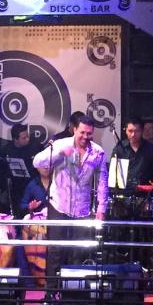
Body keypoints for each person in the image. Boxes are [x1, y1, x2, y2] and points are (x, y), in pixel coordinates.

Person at [32, 115, 108, 291]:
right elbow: (37, 161)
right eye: (82, 132)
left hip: (82, 208)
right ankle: (51, 293)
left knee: (78, 251)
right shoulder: (60, 145)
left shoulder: (98, 152)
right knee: (55, 250)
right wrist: (59, 153)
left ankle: (73, 293)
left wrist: (101, 208)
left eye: (89, 133)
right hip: (59, 205)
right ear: (75, 129)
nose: (85, 136)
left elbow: (102, 182)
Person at [110, 118, 153, 194]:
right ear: (126, 130)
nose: (133, 135)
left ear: (142, 131)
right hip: (123, 192)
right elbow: (112, 172)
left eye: (137, 131)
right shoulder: (119, 148)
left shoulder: (151, 148)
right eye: (130, 131)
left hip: (145, 192)